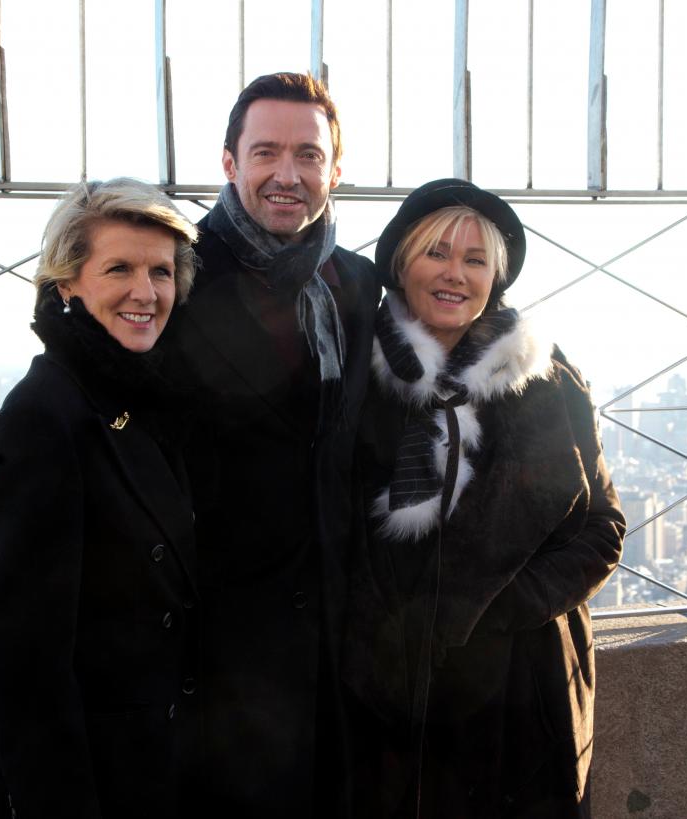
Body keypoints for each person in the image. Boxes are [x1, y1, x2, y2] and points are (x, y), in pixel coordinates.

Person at [342, 179, 625, 818]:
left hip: (524, 692)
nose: (455, 274)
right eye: (436, 253)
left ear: (496, 277)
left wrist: (481, 611)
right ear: (400, 263)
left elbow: (601, 530)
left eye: (476, 260)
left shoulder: (545, 381)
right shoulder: (354, 377)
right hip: (388, 694)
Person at [163, 72, 380, 816]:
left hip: (330, 652)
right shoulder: (175, 272)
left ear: (335, 169)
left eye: (308, 155)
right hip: (215, 659)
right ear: (229, 162)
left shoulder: (356, 286)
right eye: (266, 152)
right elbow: (89, 368)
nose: (288, 175)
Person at [0, 178, 201, 818]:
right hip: (87, 780)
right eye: (119, 268)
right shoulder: (47, 411)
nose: (145, 292)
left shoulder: (137, 396)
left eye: (161, 271)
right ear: (67, 283)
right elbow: (25, 657)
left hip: (149, 762)